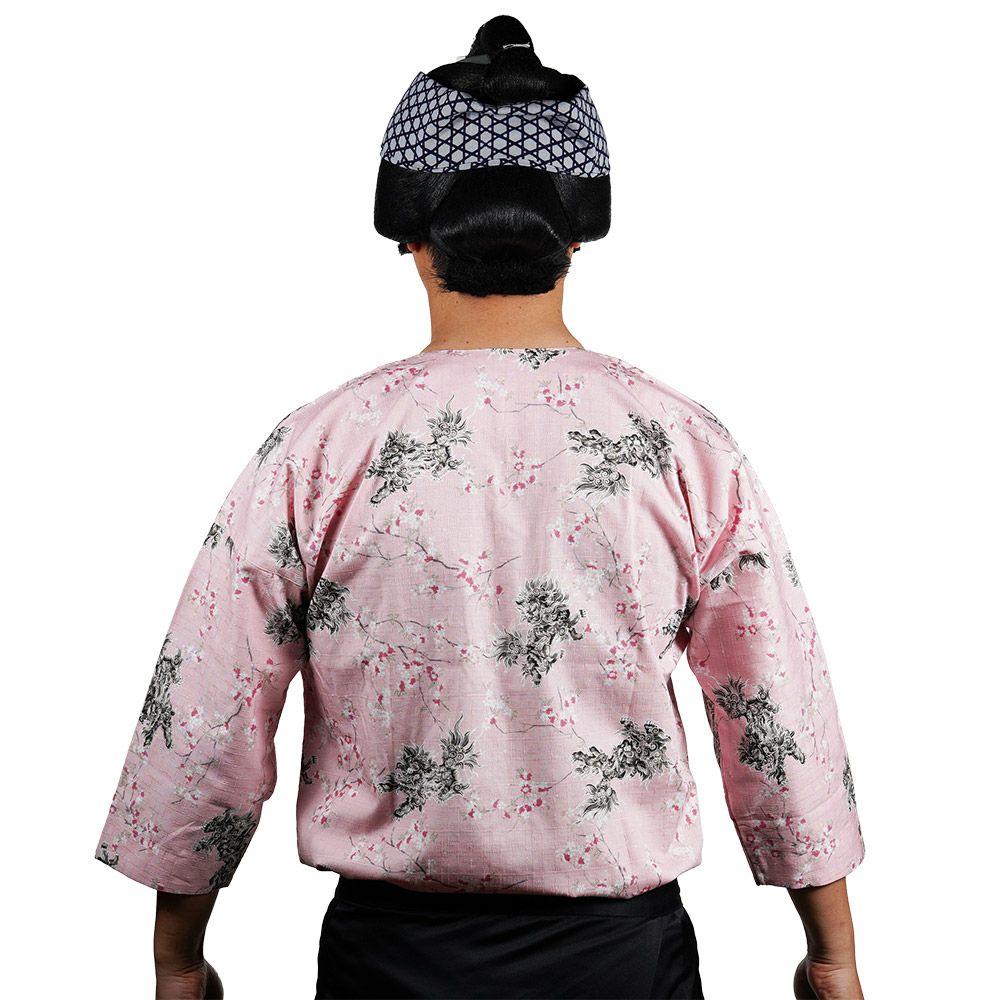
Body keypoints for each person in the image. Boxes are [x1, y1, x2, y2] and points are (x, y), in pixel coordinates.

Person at [93, 15, 866, 1000]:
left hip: (390, 964)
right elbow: (776, 706)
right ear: (576, 234)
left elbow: (208, 706)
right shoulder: (681, 444)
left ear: (408, 232)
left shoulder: (320, 448)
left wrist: (177, 957)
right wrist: (833, 954)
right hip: (621, 964)